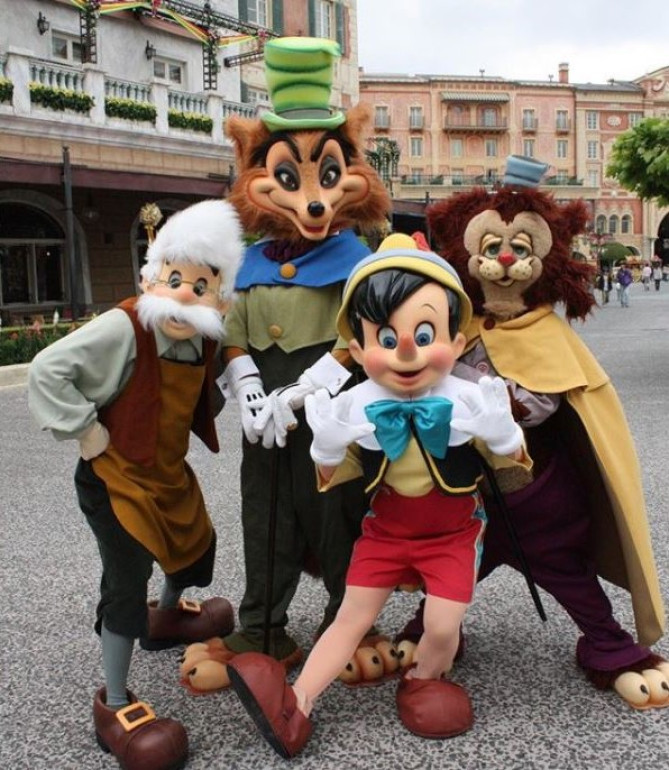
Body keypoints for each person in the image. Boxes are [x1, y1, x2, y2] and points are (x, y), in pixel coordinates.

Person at [226, 234, 529, 757]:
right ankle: (296, 706)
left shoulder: (470, 397)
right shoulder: (356, 401)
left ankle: (423, 678)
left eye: (425, 334)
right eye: (386, 338)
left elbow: (514, 463)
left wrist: (503, 435)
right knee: (351, 618)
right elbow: (334, 473)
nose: (406, 350)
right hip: (385, 533)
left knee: (443, 624)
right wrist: (327, 443)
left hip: (453, 533)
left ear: (457, 341)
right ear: (360, 348)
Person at [410, 158, 667, 711]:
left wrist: (475, 395)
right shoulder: (457, 328)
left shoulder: (547, 332)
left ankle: (610, 645)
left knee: (566, 571)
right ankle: (426, 630)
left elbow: (541, 404)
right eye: (492, 246)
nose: (504, 259)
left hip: (536, 497)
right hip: (466, 496)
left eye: (520, 248)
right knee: (454, 568)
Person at [185, 37, 390, 684]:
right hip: (262, 423)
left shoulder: (358, 262)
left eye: (329, 176)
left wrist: (313, 385)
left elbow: (365, 331)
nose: (312, 201)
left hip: (331, 413)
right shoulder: (244, 263)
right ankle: (262, 629)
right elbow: (231, 328)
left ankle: (349, 624)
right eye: (286, 178)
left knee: (337, 514)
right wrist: (246, 385)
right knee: (264, 514)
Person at [28, 200, 243, 770]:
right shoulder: (126, 326)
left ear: (219, 298)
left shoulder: (204, 338)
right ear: (152, 280)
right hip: (114, 477)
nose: (184, 296)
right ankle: (115, 702)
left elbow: (210, 391)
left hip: (165, 472)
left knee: (195, 541)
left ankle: (164, 619)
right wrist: (86, 431)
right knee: (126, 580)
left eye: (201, 286)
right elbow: (48, 368)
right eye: (175, 280)